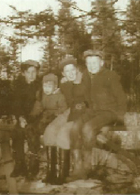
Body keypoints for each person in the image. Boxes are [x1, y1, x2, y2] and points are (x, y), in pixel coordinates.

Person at [67, 50, 127, 181]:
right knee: (74, 128)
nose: (91, 66)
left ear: (101, 63)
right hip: (92, 111)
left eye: (94, 63)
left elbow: (121, 97)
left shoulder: (110, 75)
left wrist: (120, 117)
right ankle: (78, 168)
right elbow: (80, 94)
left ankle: (87, 167)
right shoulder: (86, 77)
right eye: (88, 63)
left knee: (87, 128)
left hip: (108, 111)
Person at [43, 56, 90, 184]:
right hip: (68, 111)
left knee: (63, 133)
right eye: (67, 71)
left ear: (77, 69)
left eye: (72, 70)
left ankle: (62, 173)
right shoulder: (64, 83)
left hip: (82, 113)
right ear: (63, 73)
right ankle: (51, 171)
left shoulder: (85, 80)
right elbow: (57, 92)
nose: (71, 73)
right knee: (50, 131)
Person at [10, 60, 42, 179]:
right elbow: (16, 105)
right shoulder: (19, 86)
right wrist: (20, 118)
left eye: (34, 72)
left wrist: (29, 119)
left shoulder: (39, 86)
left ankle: (34, 165)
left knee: (31, 131)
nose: (32, 75)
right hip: (24, 117)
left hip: (37, 116)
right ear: (23, 73)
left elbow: (41, 104)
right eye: (29, 72)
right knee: (17, 131)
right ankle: (20, 164)